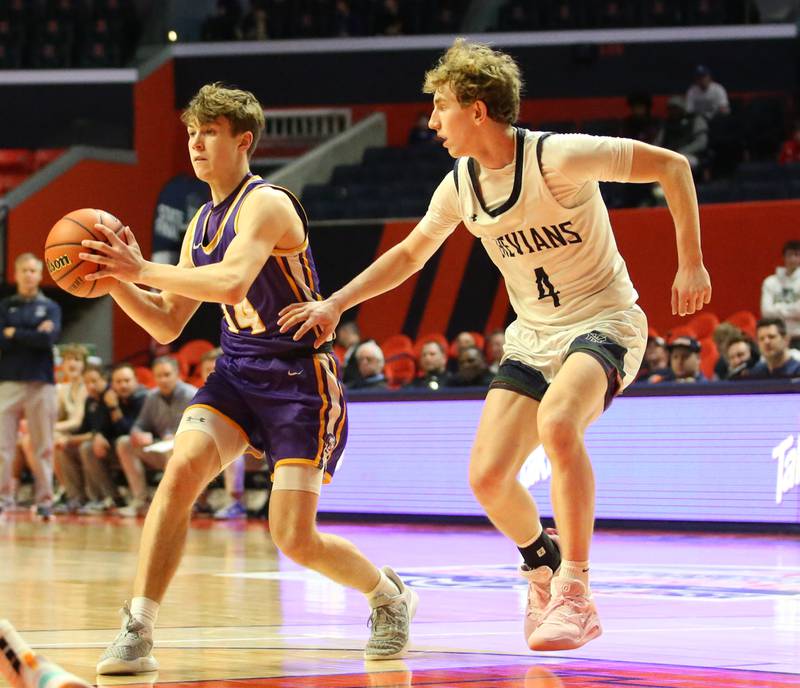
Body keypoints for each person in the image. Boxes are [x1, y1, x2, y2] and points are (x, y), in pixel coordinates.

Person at [278, 39, 711, 652]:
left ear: (477, 110)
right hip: (533, 337)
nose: (431, 121)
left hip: (605, 322)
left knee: (561, 423)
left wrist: (689, 263)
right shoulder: (459, 185)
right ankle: (542, 562)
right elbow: (409, 255)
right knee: (486, 477)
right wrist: (335, 304)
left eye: (440, 106)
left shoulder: (557, 156)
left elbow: (674, 166)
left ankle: (576, 593)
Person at [79, 83, 417, 674]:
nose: (196, 144)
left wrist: (140, 266)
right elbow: (165, 324)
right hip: (236, 372)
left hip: (298, 380)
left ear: (244, 141)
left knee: (291, 536)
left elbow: (233, 283)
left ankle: (388, 595)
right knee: (181, 472)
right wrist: (116, 281)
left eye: (210, 132)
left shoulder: (268, 204)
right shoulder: (198, 225)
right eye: (191, 133)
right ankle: (138, 626)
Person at [0, 253, 61, 519]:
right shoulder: (5, 307)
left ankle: (45, 500)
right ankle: (3, 498)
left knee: (43, 446)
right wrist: (34, 334)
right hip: (9, 381)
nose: (28, 275)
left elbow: (48, 340)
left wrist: (15, 334)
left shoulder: (51, 307)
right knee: (3, 447)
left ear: (39, 274)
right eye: (23, 270)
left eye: (33, 270)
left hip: (41, 383)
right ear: (16, 273)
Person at [116, 357, 196, 517]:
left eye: (167, 375)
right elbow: (139, 425)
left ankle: (174, 503)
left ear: (177, 374)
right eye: (158, 376)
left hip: (188, 451)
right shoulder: (151, 396)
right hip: (162, 447)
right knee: (124, 443)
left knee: (173, 449)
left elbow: (199, 429)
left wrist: (177, 437)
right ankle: (140, 500)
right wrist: (138, 434)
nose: (163, 380)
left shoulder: (192, 394)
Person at [761, 239, 800, 348]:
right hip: (776, 338)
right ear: (784, 257)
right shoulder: (770, 282)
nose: (793, 259)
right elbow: (766, 312)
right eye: (789, 255)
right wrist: (793, 311)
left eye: (796, 255)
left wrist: (777, 309)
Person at [654, 96, 709, 173]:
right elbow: (657, 143)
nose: (673, 112)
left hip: (690, 155)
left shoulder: (695, 120)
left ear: (683, 108)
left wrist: (681, 151)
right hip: (669, 155)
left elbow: (701, 143)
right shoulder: (667, 124)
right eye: (671, 109)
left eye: (676, 108)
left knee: (677, 163)